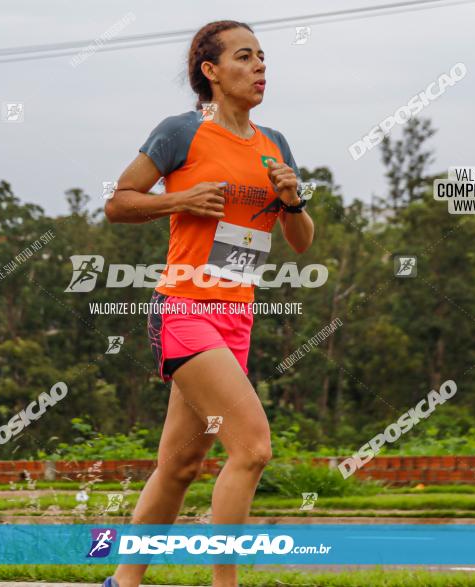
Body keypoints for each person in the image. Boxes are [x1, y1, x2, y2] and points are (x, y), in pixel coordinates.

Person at [103, 20, 314, 587]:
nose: (261, 67)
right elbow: (118, 203)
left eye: (264, 58)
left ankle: (121, 581)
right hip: (183, 309)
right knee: (252, 447)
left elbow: (301, 242)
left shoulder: (275, 144)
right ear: (211, 71)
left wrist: (293, 202)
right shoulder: (181, 133)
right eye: (246, 57)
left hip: (236, 316)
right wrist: (182, 197)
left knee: (179, 467)